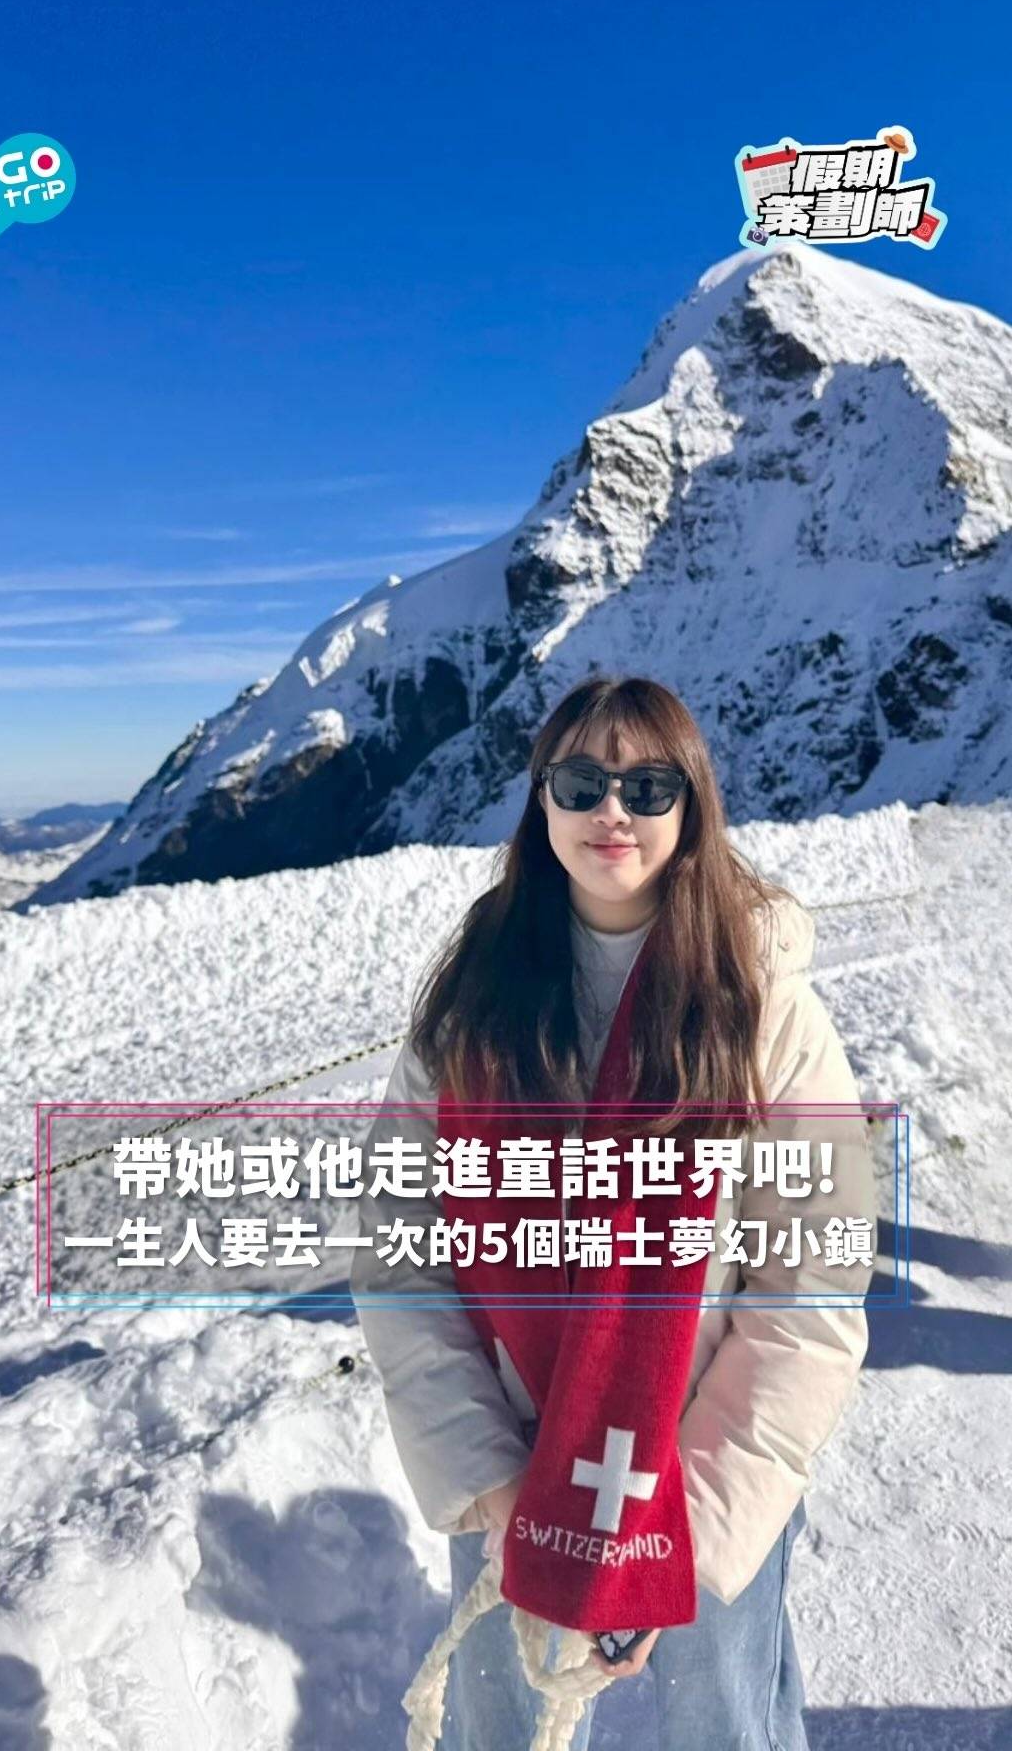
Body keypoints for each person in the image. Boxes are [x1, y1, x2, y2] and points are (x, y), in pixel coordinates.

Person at [351, 672, 876, 1750]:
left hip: (700, 1464)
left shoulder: (761, 1003)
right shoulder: (472, 1001)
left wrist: (690, 1522)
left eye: (648, 787)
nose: (612, 812)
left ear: (692, 807)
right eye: (582, 781)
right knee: (506, 1728)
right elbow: (403, 1248)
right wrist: (497, 1488)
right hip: (512, 1450)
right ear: (541, 797)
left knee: (720, 1724)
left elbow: (809, 1282)